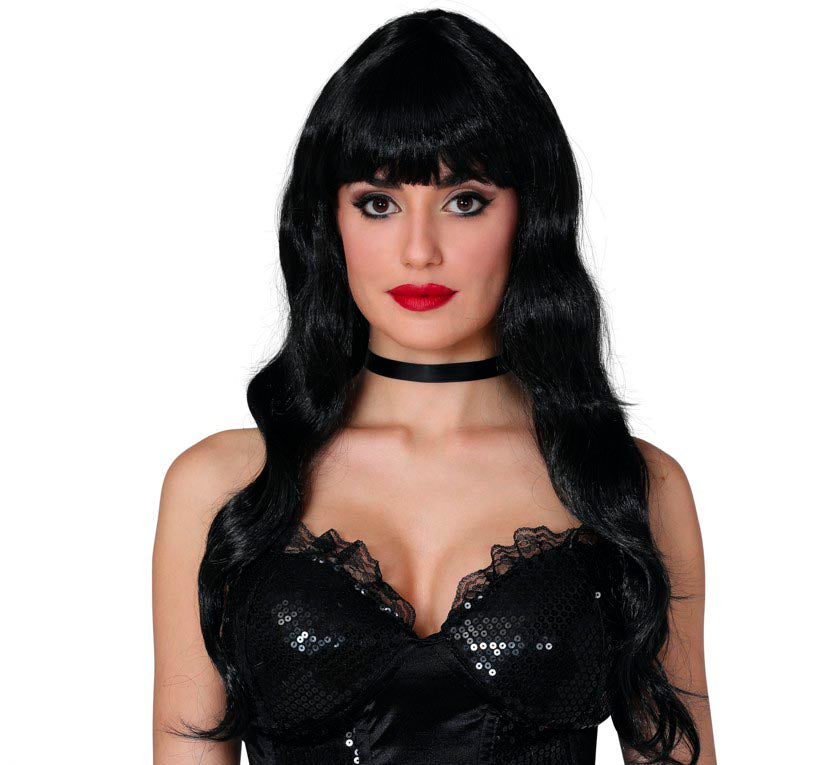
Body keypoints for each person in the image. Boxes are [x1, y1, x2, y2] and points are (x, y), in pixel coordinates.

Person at [152, 9, 716, 764]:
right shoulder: (222, 485)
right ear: (329, 222)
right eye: (378, 203)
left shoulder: (628, 482)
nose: (419, 250)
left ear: (530, 215)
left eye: (464, 200)